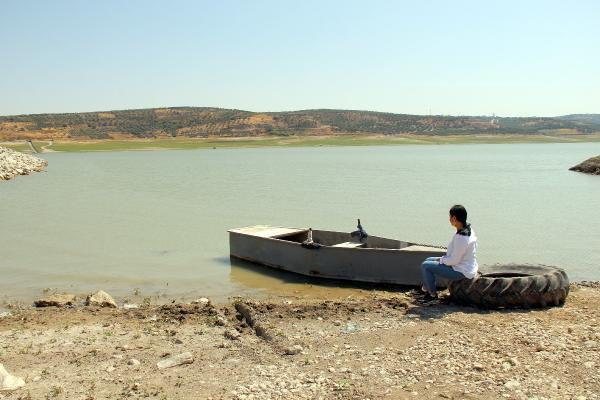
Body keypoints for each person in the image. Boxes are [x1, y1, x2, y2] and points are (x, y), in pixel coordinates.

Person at [420, 205, 478, 299]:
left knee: (425, 266)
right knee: (428, 260)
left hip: (461, 271)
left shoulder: (462, 238)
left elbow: (454, 261)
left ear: (454, 218)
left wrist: (441, 260)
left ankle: (432, 295)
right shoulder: (468, 229)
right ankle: (426, 289)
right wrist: (442, 260)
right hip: (465, 265)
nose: (449, 219)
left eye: (450, 217)